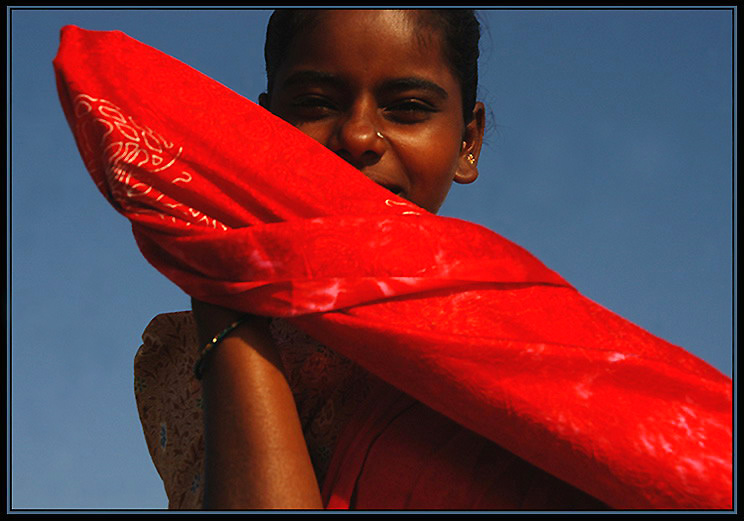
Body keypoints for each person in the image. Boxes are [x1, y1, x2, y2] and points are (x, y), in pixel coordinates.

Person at [54, 8, 731, 511]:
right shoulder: (188, 352)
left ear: (467, 142)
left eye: (407, 108)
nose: (356, 136)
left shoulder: (543, 346)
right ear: (263, 126)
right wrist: (228, 287)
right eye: (315, 104)